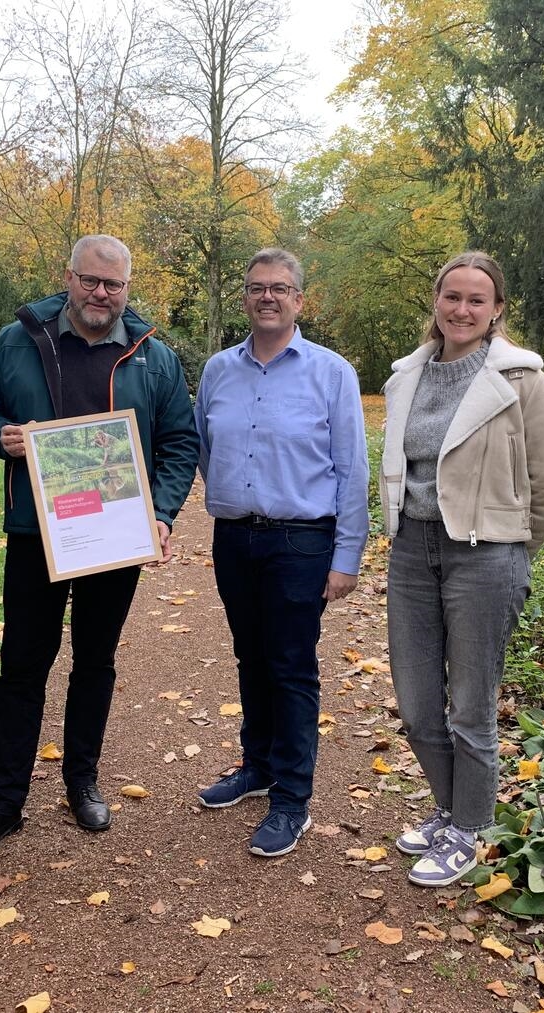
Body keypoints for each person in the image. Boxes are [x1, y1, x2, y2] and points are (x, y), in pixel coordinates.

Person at [0, 235, 199, 863]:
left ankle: (80, 782)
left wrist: (161, 513)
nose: (100, 294)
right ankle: (3, 804)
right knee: (22, 668)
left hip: (114, 537)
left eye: (113, 285)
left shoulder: (153, 357)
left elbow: (178, 443)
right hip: (38, 533)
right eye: (90, 281)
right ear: (69, 277)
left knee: (96, 661)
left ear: (127, 288)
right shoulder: (19, 342)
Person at [380, 251, 544, 887]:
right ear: (435, 302)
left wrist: (513, 547)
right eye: (451, 296)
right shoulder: (407, 376)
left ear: (496, 312)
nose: (461, 310)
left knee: (470, 708)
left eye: (476, 300)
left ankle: (470, 827)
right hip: (413, 550)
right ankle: (449, 807)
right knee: (415, 705)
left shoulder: (520, 380)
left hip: (484, 557)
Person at [194, 248, 369, 858]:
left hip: (302, 540)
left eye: (280, 288)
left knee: (291, 666)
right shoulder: (219, 370)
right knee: (250, 656)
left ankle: (292, 799)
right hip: (235, 537)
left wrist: (347, 555)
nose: (267, 296)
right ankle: (258, 767)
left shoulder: (331, 373)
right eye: (256, 287)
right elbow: (205, 446)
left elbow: (351, 468)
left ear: (299, 300)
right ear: (245, 297)